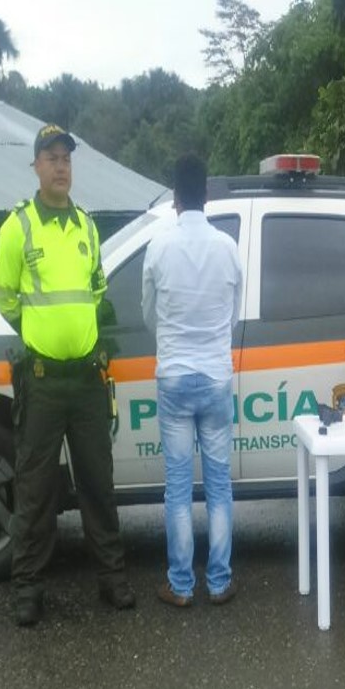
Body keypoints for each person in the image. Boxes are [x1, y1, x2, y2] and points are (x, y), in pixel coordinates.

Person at [0, 124, 135, 626]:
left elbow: (96, 293)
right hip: (43, 380)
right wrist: (40, 334)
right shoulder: (18, 227)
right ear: (35, 166)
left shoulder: (87, 228)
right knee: (35, 489)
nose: (60, 167)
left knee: (99, 482)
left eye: (66, 160)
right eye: (51, 158)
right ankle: (28, 588)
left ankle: (112, 578)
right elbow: (5, 298)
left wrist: (76, 336)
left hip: (86, 379)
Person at [141, 154, 243, 608]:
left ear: (176, 197)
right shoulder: (227, 247)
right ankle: (219, 582)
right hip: (217, 377)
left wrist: (172, 344)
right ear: (206, 194)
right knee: (219, 486)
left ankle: (181, 586)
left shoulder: (159, 247)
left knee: (178, 489)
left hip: (175, 378)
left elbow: (149, 316)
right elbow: (234, 313)